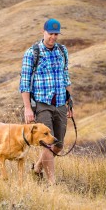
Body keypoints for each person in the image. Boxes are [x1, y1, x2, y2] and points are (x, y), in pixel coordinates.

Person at [19, 18, 73, 184]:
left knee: (59, 144)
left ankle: (37, 168)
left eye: (56, 34)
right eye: (51, 33)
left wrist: (70, 103)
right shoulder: (32, 53)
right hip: (42, 104)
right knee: (47, 144)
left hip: (60, 104)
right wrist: (28, 108)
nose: (53, 37)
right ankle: (52, 183)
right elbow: (24, 82)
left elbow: (66, 77)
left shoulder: (62, 51)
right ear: (44, 32)